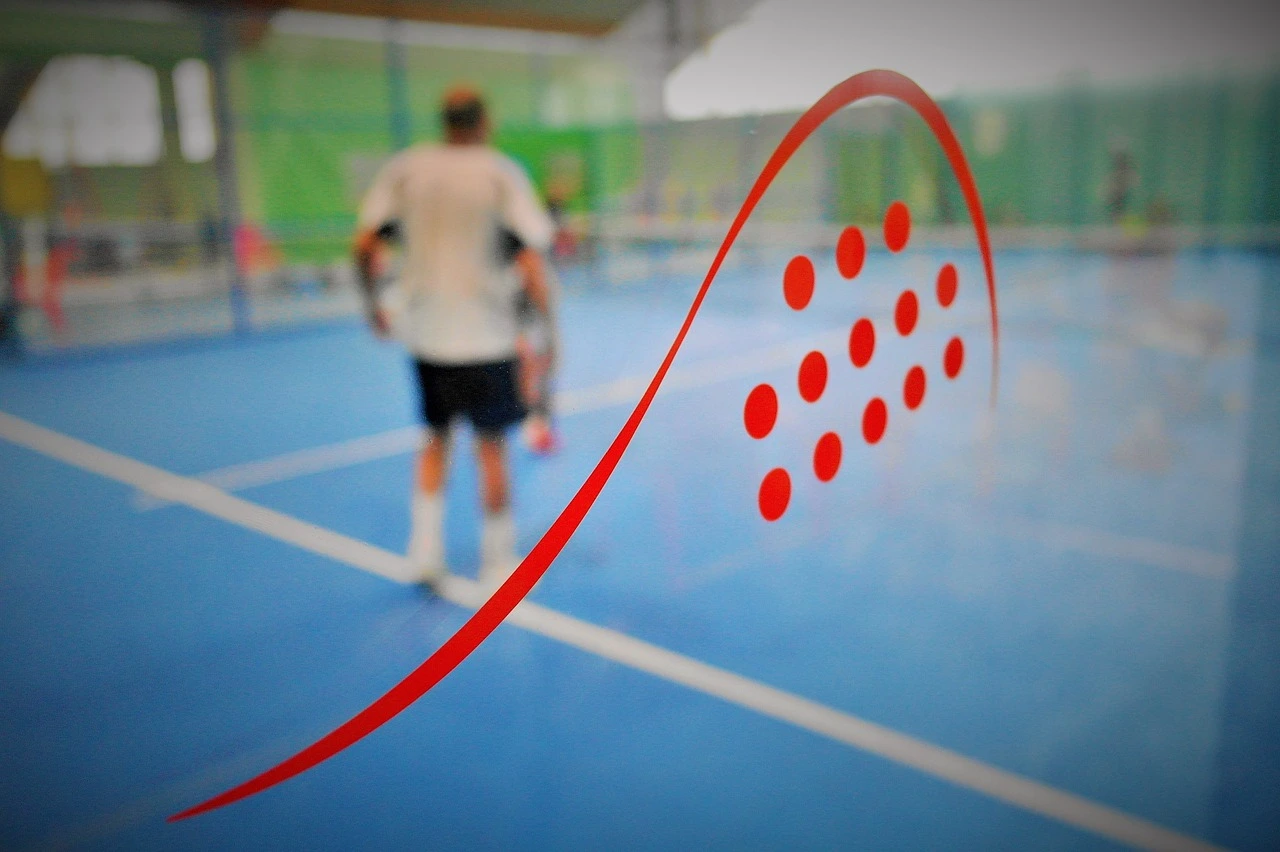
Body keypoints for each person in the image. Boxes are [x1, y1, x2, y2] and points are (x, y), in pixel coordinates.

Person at [352, 86, 555, 586]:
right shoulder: (499, 173)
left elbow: (364, 244)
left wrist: (373, 306)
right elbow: (530, 256)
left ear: (444, 122)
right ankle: (498, 562)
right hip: (488, 339)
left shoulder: (407, 169)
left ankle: (423, 552)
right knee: (491, 448)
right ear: (484, 122)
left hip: (428, 338)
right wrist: (546, 326)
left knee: (434, 440)